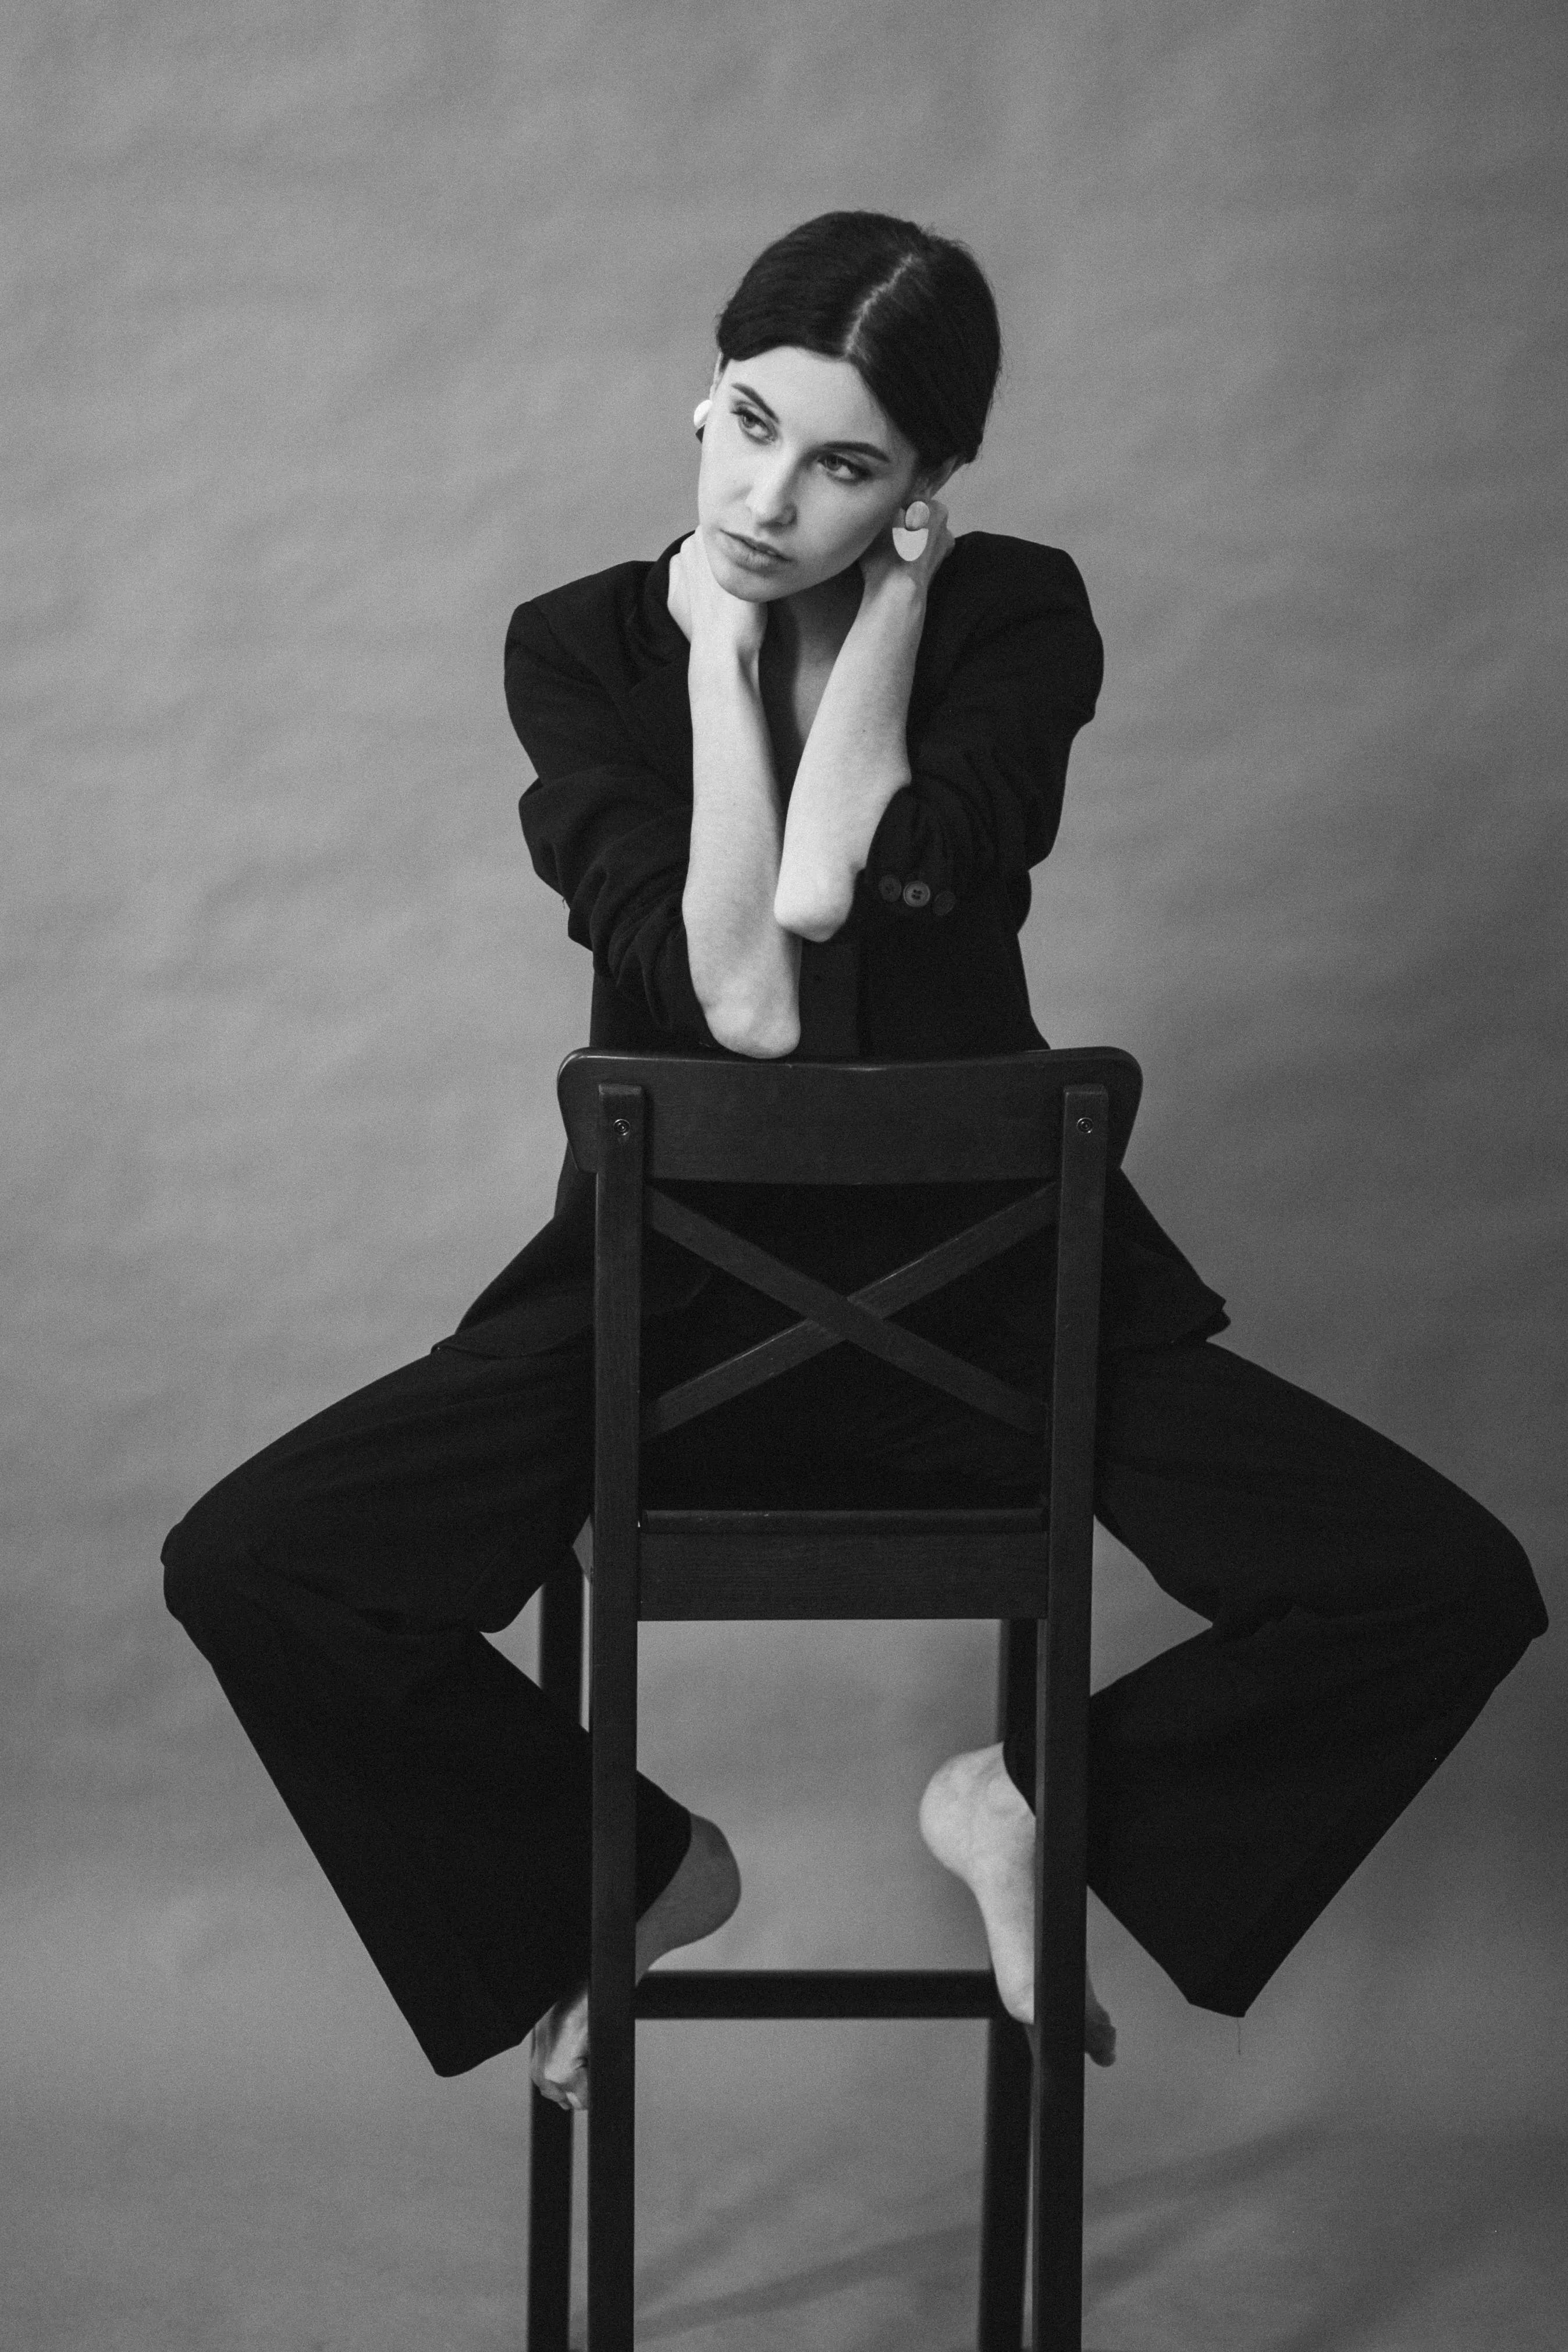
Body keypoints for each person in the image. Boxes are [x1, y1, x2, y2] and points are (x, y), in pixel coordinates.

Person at [163, 211, 1546, 2115]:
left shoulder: (1014, 614)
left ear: (926, 490)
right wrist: (719, 672)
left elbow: (848, 885)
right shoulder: (582, 644)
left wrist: (884, 622)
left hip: (1004, 1312)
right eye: (744, 427)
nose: (765, 497)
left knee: (1438, 1583)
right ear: (699, 399)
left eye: (843, 469)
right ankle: (639, 1876)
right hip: (661, 1326)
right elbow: (735, 988)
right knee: (257, 1566)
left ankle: (1029, 1807)